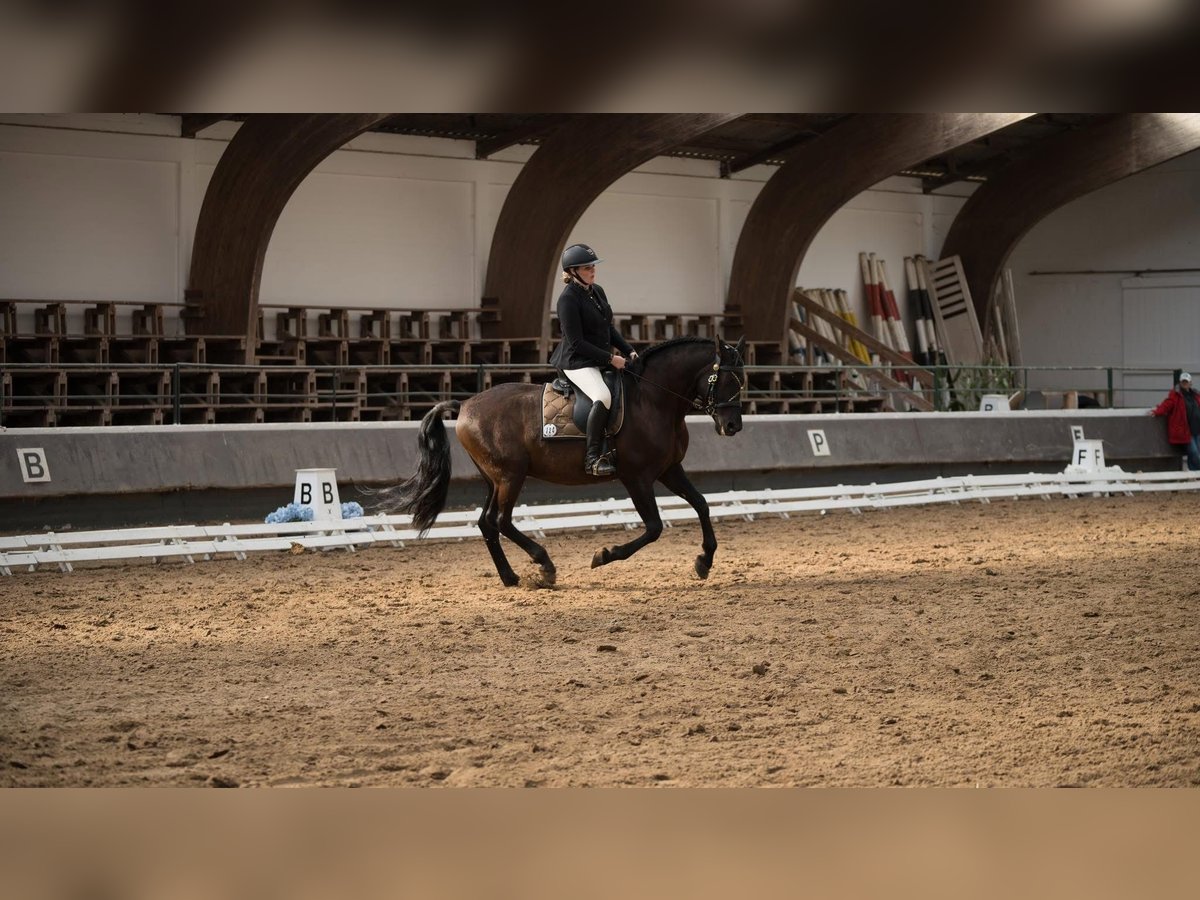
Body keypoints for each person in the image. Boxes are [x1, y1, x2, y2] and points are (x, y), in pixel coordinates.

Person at [548, 243, 639, 476]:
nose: (593, 270)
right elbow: (576, 342)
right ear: (573, 271)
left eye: (593, 266)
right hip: (576, 362)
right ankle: (592, 458)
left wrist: (629, 350)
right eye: (587, 267)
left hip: (599, 358)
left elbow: (608, 328)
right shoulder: (567, 300)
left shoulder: (597, 290)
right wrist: (611, 359)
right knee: (603, 396)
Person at [1150, 371, 1200, 471]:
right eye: (1183, 382)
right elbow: (1167, 404)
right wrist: (1157, 411)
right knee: (1194, 452)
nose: (1185, 384)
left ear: (1190, 383)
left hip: (1197, 429)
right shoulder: (1175, 395)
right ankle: (1197, 473)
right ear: (1180, 383)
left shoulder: (1195, 395)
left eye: (1187, 382)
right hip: (1185, 431)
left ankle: (1194, 474)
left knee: (1195, 453)